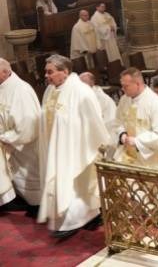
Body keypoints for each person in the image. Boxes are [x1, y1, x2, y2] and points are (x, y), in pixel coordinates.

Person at [38, 55, 106, 238]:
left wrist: (91, 145)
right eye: (46, 72)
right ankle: (71, 219)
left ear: (65, 71)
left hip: (74, 148)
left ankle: (74, 220)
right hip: (54, 147)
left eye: (50, 72)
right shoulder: (50, 90)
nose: (46, 76)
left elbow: (94, 119)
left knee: (74, 185)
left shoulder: (81, 91)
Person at [114, 68, 158, 172]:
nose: (122, 89)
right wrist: (122, 134)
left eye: (125, 86)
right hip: (128, 156)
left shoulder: (155, 103)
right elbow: (118, 121)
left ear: (137, 84)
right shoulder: (124, 100)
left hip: (153, 162)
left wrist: (137, 141)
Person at [0, 58, 41, 211]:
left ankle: (38, 205)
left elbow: (27, 127)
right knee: (17, 178)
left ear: (5, 72)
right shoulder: (3, 87)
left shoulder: (20, 90)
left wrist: (5, 138)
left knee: (31, 177)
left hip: (24, 146)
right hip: (9, 143)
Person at [78, 72, 117, 146]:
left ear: (91, 84)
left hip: (105, 131)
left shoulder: (101, 98)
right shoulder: (84, 95)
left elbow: (103, 120)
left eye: (82, 84)